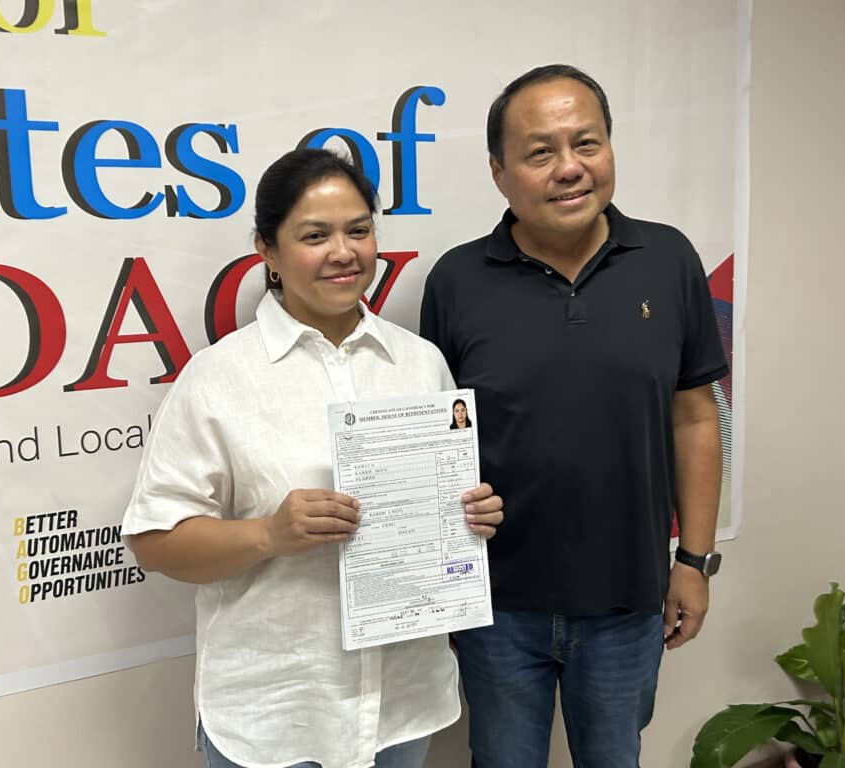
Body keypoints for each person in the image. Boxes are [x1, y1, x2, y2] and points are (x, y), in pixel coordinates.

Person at [122, 148, 504, 768]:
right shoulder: (220, 378)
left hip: (403, 705)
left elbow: (441, 514)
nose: (344, 252)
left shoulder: (419, 362)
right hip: (277, 715)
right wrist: (268, 534)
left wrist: (468, 515)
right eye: (314, 235)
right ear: (267, 251)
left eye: (359, 230)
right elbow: (154, 541)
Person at [420, 65, 728, 768]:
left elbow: (695, 418)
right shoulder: (457, 281)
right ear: (499, 173)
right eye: (540, 152)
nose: (570, 169)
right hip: (497, 609)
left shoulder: (669, 259)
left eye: (586, 143)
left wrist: (695, 562)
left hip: (629, 602)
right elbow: (437, 445)